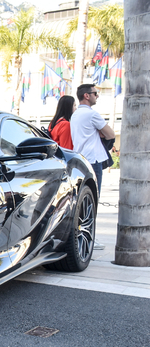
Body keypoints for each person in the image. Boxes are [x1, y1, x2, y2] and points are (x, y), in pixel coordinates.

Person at [70, 84, 116, 251]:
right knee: (92, 202)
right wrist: (100, 133)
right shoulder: (91, 114)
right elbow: (110, 134)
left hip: (81, 160)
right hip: (94, 162)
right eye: (95, 93)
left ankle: (81, 236)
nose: (97, 96)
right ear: (87, 96)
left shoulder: (75, 115)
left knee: (83, 201)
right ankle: (89, 238)